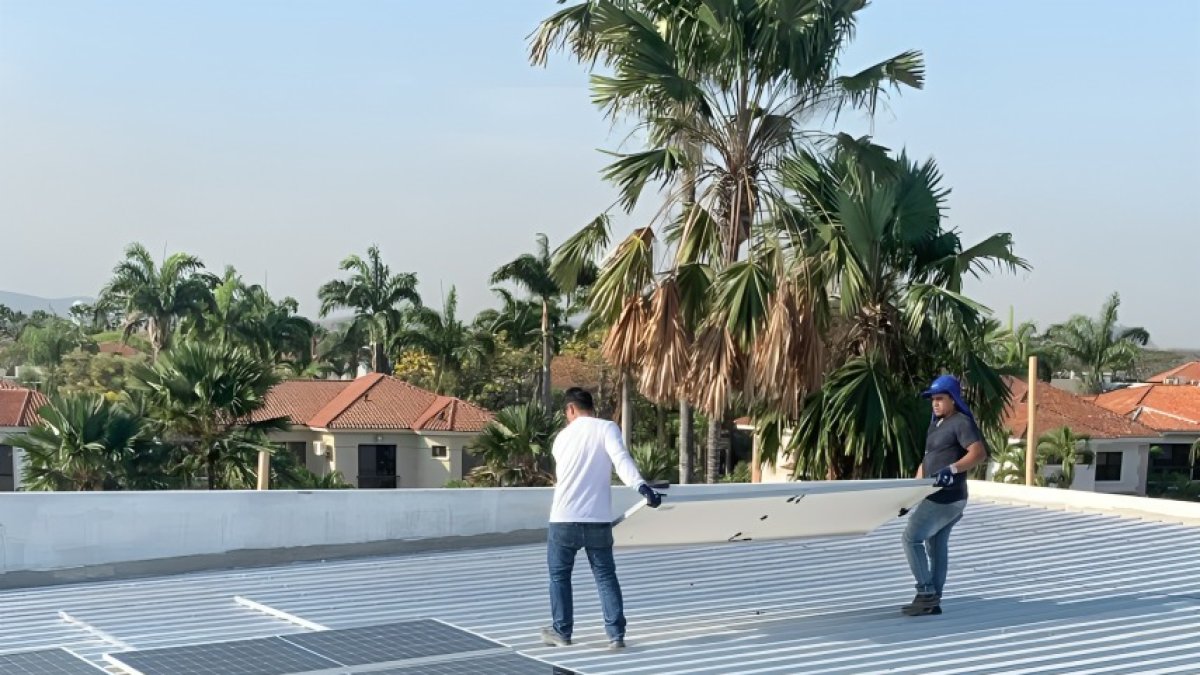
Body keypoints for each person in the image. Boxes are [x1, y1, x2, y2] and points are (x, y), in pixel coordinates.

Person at [541, 387, 661, 650]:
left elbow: (565, 475)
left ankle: (562, 632)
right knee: (605, 576)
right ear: (590, 407)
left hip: (563, 518)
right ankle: (616, 635)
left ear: (570, 409)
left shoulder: (561, 438)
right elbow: (621, 460)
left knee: (559, 576)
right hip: (597, 520)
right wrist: (643, 488)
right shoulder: (607, 428)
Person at [901, 374, 988, 616]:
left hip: (946, 496)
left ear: (953, 399)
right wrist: (911, 494)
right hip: (947, 497)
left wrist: (953, 468)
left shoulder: (961, 422)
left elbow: (979, 453)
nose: (935, 403)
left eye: (940, 398)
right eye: (932, 399)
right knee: (936, 544)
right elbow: (927, 461)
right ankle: (933, 598)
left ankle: (925, 591)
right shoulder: (935, 424)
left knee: (911, 538)